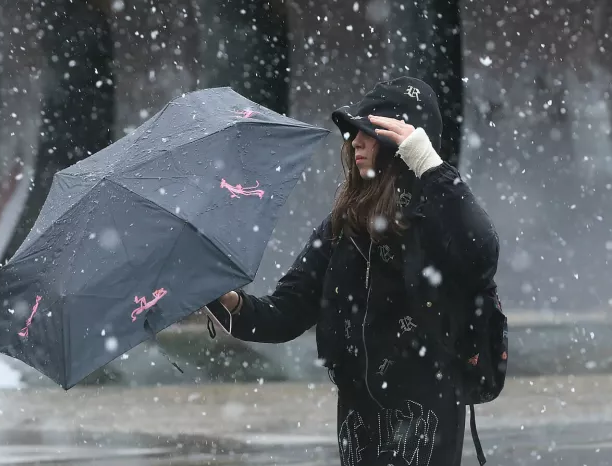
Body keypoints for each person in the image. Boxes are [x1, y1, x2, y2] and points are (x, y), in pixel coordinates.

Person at [206, 77, 500, 466]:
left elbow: (481, 252)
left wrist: (431, 166)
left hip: (428, 415)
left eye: (368, 132)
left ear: (403, 144)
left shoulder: (438, 218)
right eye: (353, 132)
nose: (355, 141)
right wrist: (228, 302)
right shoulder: (342, 227)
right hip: (358, 420)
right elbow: (284, 314)